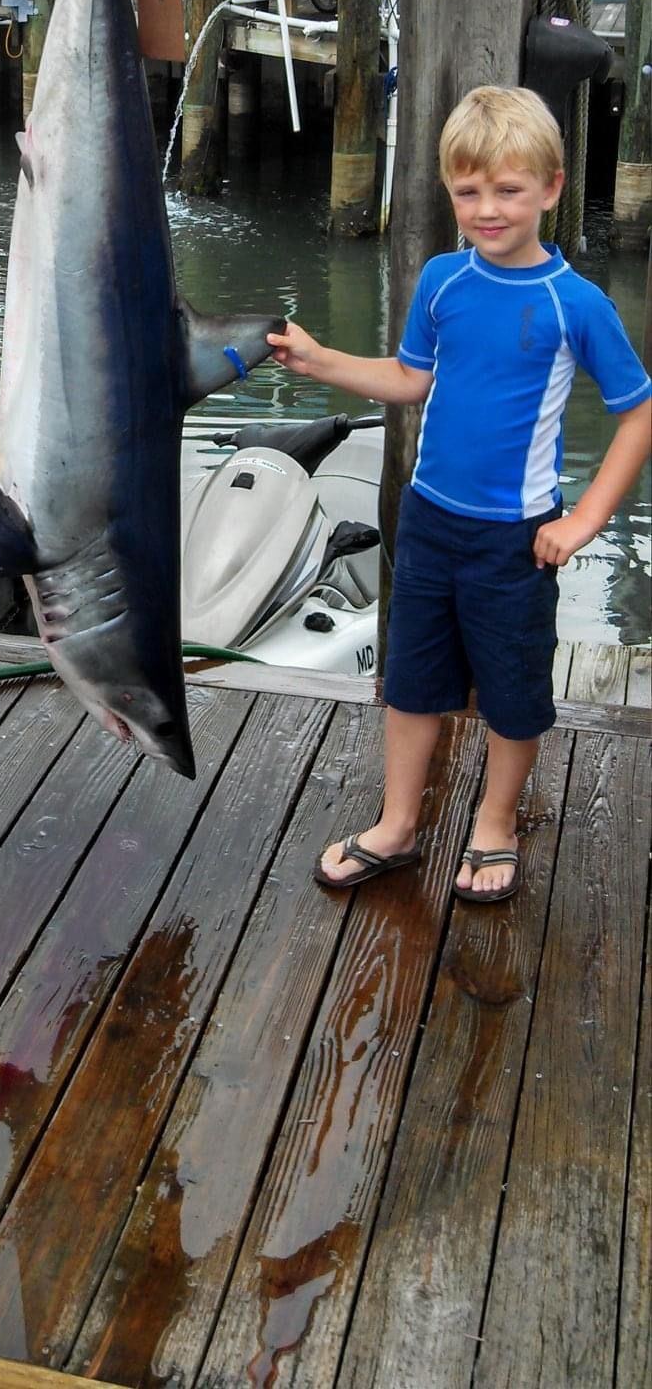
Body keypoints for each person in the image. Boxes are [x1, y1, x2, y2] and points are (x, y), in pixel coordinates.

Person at [268, 86, 651, 905]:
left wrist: (583, 519)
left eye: (508, 190)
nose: (487, 209)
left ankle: (496, 823)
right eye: (468, 191)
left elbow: (640, 414)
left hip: (516, 539)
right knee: (410, 682)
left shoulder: (574, 302)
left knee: (513, 694)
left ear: (550, 188)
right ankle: (398, 825)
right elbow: (409, 379)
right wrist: (319, 358)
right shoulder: (442, 280)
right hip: (430, 521)